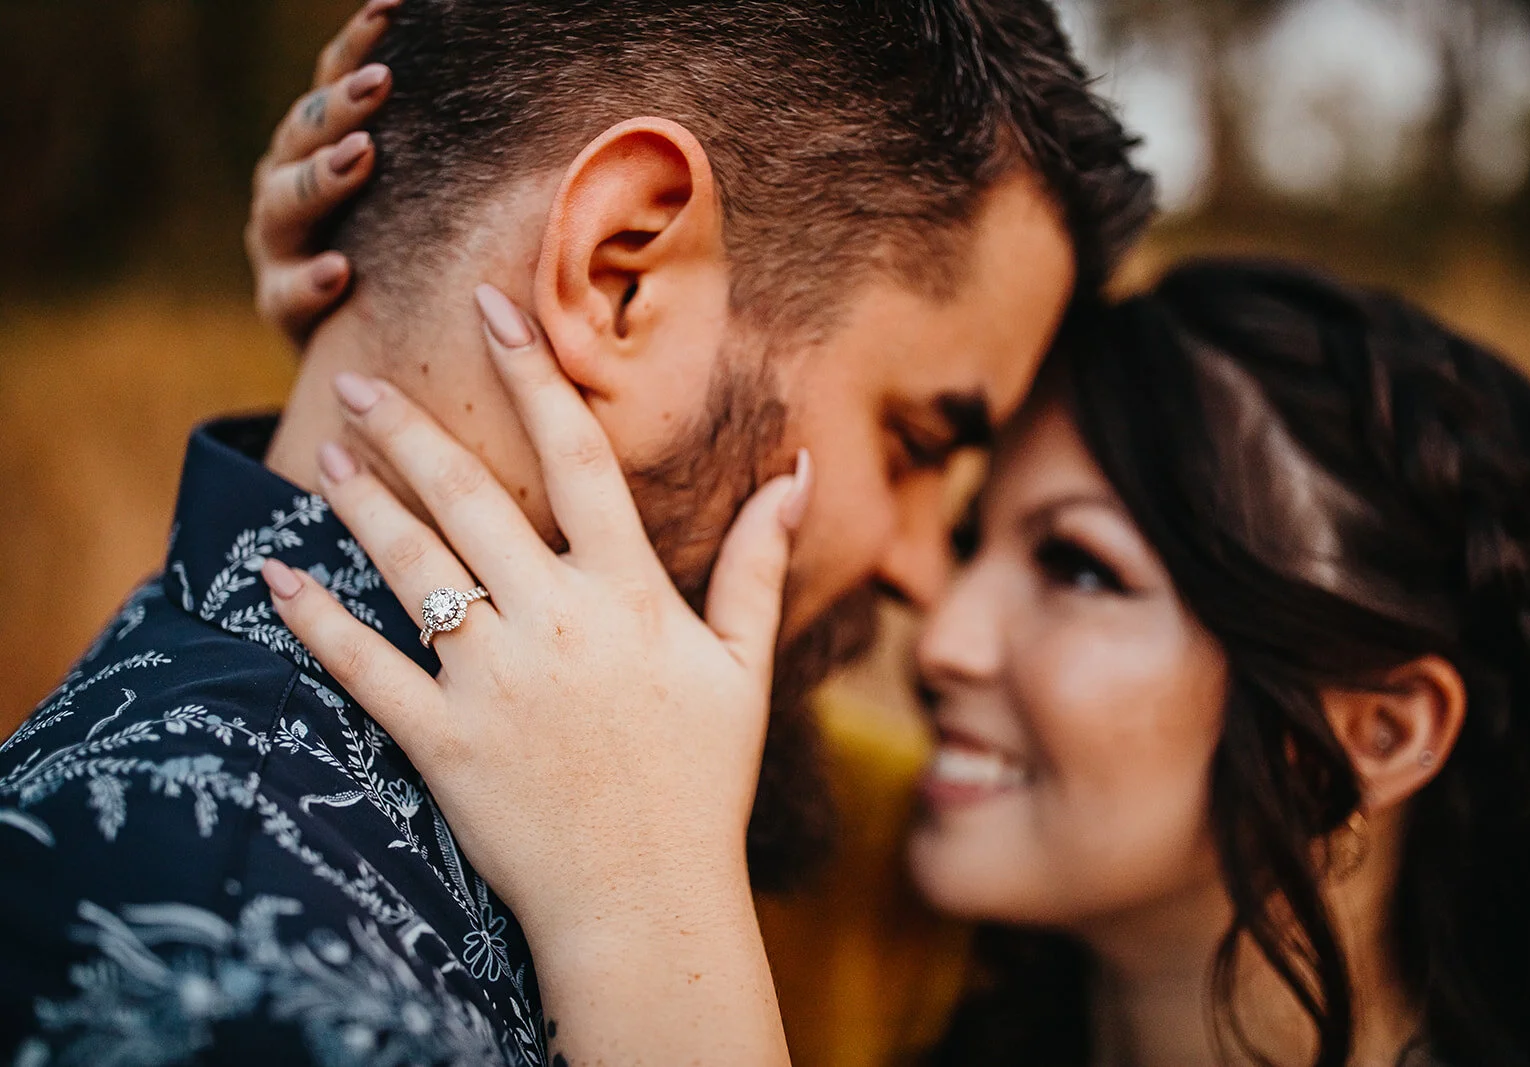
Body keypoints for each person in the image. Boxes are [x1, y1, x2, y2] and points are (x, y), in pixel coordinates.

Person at [0, 2, 1154, 1064]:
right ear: (618, 276)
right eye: (911, 442)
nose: (921, 574)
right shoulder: (242, 972)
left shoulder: (636, 792)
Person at [264, 254, 1530, 1064]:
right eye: (973, 537)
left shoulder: (717, 880)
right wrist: (401, 300)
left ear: (1377, 730)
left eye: (1079, 566)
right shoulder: (847, 879)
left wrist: (652, 940)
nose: (943, 636)